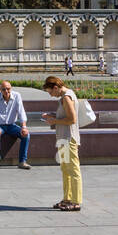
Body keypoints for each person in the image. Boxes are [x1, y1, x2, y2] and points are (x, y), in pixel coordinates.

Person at [40, 76, 81, 211]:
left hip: (69, 138)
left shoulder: (66, 97)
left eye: (50, 92)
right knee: (65, 169)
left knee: (73, 169)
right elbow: (65, 115)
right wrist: (52, 116)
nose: (51, 95)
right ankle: (67, 198)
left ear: (56, 87)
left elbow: (72, 119)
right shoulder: (64, 97)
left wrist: (54, 121)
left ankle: (75, 201)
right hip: (63, 138)